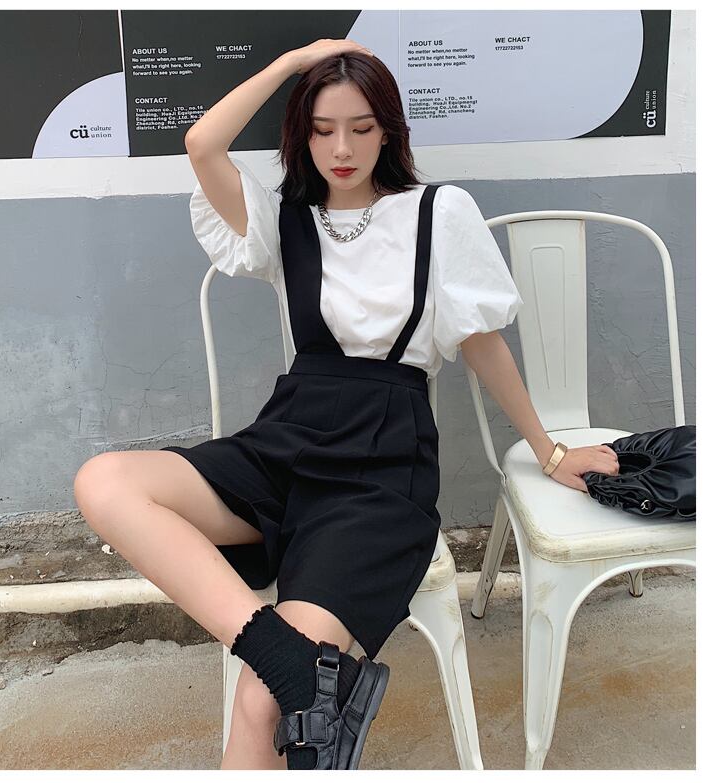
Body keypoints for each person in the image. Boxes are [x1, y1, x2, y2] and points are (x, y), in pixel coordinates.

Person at [73, 38, 620, 770]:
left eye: (361, 128)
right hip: (285, 443)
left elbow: (482, 344)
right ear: (301, 136)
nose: (341, 148)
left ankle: (292, 672)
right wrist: (293, 63)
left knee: (263, 701)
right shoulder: (285, 221)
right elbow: (202, 143)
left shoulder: (437, 213)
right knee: (104, 481)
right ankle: (293, 661)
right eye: (322, 129)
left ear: (388, 131)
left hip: (380, 467)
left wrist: (548, 451)